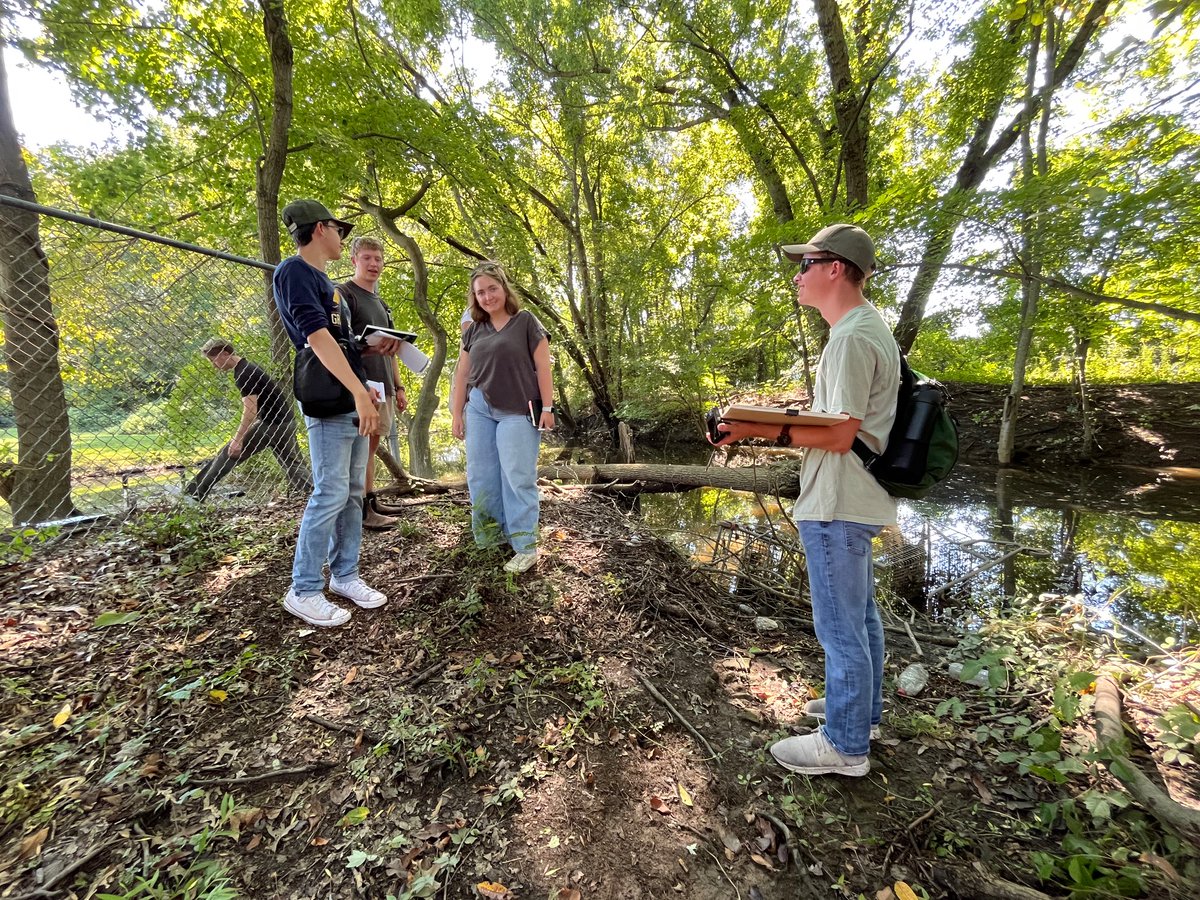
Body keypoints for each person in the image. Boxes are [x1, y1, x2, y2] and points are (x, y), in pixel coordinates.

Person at [714, 224, 898, 777]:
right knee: (860, 617)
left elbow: (840, 435)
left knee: (839, 626)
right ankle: (861, 714)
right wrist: (757, 422)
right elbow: (841, 423)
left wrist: (756, 432)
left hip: (837, 501)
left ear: (834, 268)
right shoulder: (867, 328)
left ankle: (844, 747)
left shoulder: (848, 338)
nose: (798, 276)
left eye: (806, 264)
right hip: (858, 497)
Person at [273, 199, 403, 628]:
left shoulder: (326, 283)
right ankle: (304, 589)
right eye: (337, 228)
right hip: (329, 399)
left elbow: (342, 342)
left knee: (350, 491)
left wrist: (371, 350)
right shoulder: (293, 272)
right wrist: (359, 393)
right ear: (318, 229)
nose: (341, 235)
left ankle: (345, 575)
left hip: (353, 394)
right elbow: (316, 339)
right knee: (328, 493)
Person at [450, 262, 554, 574]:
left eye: (492, 288)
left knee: (516, 476)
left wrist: (547, 408)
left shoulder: (526, 322)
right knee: (480, 475)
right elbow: (462, 372)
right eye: (480, 292)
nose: (487, 296)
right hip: (479, 408)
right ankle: (489, 538)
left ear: (504, 289)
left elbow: (543, 368)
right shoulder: (473, 330)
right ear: (474, 298)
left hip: (518, 409)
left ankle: (524, 545)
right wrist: (457, 412)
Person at [338, 236, 408, 530]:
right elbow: (340, 342)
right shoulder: (343, 294)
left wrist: (399, 386)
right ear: (353, 260)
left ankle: (371, 498)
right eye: (367, 258)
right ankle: (361, 510)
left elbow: (392, 349)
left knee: (374, 442)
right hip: (361, 385)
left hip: (384, 385)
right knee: (361, 447)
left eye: (378, 259)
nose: (374, 264)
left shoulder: (381, 302)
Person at [185, 340, 311, 500]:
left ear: (225, 353)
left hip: (272, 425)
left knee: (228, 454)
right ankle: (320, 494)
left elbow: (250, 411)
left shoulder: (244, 374)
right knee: (293, 465)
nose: (214, 365)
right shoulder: (248, 367)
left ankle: (192, 497)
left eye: (213, 359)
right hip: (286, 422)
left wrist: (238, 440)